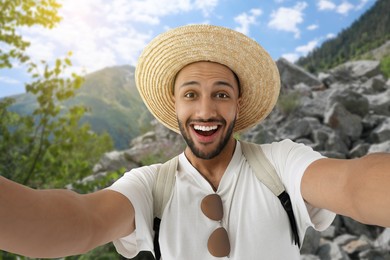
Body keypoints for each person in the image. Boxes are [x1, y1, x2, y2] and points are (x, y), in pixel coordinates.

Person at [0, 24, 389, 260]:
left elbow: (353, 184)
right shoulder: (150, 185)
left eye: (221, 94)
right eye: (190, 94)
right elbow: (80, 222)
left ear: (239, 104)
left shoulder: (281, 163)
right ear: (175, 106)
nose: (205, 110)